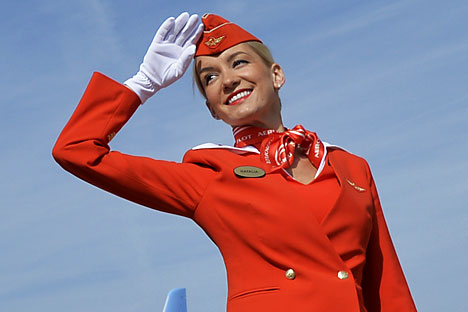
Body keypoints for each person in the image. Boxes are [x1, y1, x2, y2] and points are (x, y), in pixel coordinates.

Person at [53, 12, 417, 312]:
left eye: (238, 62)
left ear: (276, 75)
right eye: (210, 77)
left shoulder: (351, 167)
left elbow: (388, 288)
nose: (227, 80)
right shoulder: (210, 173)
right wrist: (143, 83)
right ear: (212, 109)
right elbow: (77, 150)